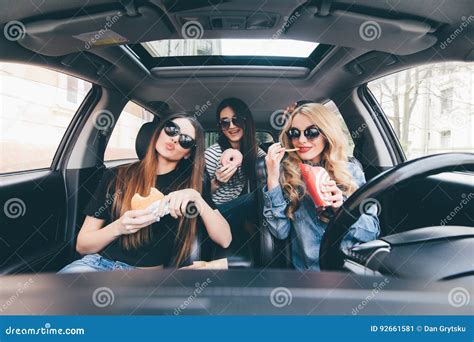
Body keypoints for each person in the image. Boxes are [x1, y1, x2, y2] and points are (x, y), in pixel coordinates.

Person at [59, 113, 231, 273]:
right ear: (159, 132)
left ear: (189, 153)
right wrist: (119, 227)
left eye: (185, 140)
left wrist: (197, 198)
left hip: (144, 277)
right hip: (96, 265)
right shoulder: (116, 176)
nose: (175, 139)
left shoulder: (191, 186)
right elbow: (82, 245)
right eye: (172, 129)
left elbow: (225, 239)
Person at [263, 103, 379, 270]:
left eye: (311, 132)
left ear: (326, 134)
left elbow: (370, 233)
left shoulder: (350, 170)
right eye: (295, 133)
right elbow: (279, 232)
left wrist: (343, 209)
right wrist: (272, 176)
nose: (301, 140)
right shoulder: (288, 174)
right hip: (310, 274)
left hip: (351, 270)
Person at [204, 98, 266, 242]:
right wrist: (217, 181)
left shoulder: (255, 153)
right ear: (221, 127)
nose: (231, 126)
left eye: (236, 120)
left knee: (262, 197)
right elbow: (201, 195)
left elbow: (269, 169)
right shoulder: (213, 154)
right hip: (214, 211)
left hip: (237, 210)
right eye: (225, 122)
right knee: (254, 198)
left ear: (246, 121)